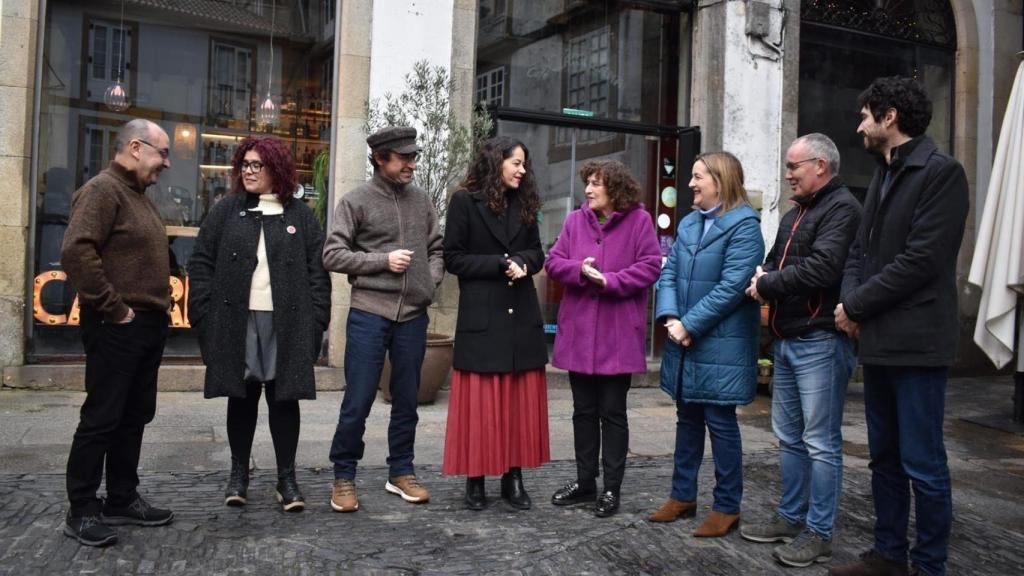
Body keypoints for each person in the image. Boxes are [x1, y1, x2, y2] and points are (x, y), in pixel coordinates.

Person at [830, 77, 969, 576]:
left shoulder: (941, 173)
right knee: (884, 459)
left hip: (919, 343)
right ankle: (889, 554)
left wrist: (857, 305)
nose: (860, 125)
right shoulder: (884, 172)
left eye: (866, 115)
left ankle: (929, 565)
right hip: (879, 341)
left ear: (890, 117)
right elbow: (859, 251)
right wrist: (849, 301)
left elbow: (921, 261)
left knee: (924, 465)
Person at [187, 136, 330, 513]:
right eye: (245, 165)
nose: (248, 171)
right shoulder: (226, 211)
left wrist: (317, 324)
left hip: (288, 323)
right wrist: (203, 316)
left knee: (285, 399)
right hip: (237, 320)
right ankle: (239, 475)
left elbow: (319, 274)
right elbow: (200, 263)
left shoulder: (300, 215)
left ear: (276, 170)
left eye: (257, 165)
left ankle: (287, 478)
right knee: (242, 396)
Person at [740, 134, 861, 567]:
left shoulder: (843, 208)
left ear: (820, 167)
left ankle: (819, 532)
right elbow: (775, 261)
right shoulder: (796, 213)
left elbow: (825, 268)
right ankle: (790, 517)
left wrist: (768, 283)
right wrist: (765, 275)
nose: (787, 175)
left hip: (821, 339)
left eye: (794, 167)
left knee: (820, 442)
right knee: (790, 438)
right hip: (790, 339)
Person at [60, 119, 175, 547]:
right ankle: (82, 510)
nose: (165, 163)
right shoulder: (102, 191)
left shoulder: (139, 196)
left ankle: (122, 497)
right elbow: (76, 250)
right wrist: (114, 307)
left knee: (133, 416)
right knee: (102, 418)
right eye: (162, 152)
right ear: (134, 147)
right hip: (117, 324)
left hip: (146, 324)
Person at [323, 126, 444, 512]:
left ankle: (401, 472)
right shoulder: (355, 201)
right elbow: (333, 254)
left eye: (414, 156)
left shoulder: (422, 201)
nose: (411, 163)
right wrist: (382, 262)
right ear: (379, 158)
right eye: (403, 157)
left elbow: (437, 248)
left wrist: (430, 278)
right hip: (369, 313)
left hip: (412, 315)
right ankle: (344, 476)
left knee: (407, 400)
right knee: (357, 400)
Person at [648, 151, 764, 537]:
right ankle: (682, 496)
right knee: (687, 419)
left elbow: (732, 287)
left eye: (698, 177)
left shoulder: (745, 227)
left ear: (720, 180)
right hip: (686, 339)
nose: (691, 184)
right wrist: (669, 317)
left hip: (721, 345)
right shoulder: (689, 224)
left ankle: (727, 506)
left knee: (720, 423)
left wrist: (689, 325)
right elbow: (669, 274)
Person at [544, 159, 661, 517]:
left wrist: (611, 281)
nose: (589, 190)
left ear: (616, 188)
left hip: (617, 334)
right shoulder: (574, 220)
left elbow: (651, 265)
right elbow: (553, 261)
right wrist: (578, 270)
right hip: (580, 332)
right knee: (583, 411)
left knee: (613, 413)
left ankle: (611, 488)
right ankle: (584, 482)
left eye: (596, 183)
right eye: (588, 183)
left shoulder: (640, 221)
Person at [441, 136, 550, 511]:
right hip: (482, 316)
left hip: (520, 315)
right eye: (516, 163)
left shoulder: (525, 203)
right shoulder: (463, 201)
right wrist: (500, 264)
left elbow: (538, 252)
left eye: (524, 164)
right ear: (496, 161)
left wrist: (524, 260)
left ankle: (513, 478)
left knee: (517, 404)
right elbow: (453, 258)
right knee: (481, 404)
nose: (522, 170)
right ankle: (475, 480)